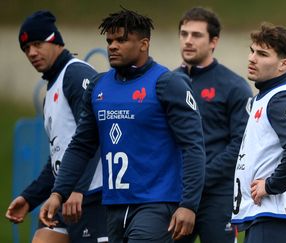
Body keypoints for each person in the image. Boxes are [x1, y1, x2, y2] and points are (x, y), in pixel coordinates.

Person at [38, 7, 206, 243]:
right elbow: (81, 146)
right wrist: (59, 192)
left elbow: (193, 146)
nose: (112, 46)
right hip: (114, 205)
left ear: (144, 44)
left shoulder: (167, 83)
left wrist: (189, 204)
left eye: (121, 40)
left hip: (156, 204)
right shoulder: (98, 87)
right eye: (109, 41)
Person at [5, 10, 108, 243]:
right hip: (63, 196)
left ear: (55, 40)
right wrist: (30, 198)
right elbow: (58, 158)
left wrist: (78, 189)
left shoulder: (75, 74)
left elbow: (95, 136)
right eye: (26, 48)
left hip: (92, 196)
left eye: (38, 44)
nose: (32, 53)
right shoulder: (52, 87)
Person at [231, 23, 286, 243]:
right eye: (252, 51)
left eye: (262, 54)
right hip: (263, 216)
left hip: (275, 216)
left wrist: (271, 185)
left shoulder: (281, 99)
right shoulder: (265, 97)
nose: (252, 58)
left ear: (283, 64)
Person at [174, 7, 253, 243]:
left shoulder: (234, 86)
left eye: (196, 35)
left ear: (213, 41)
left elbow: (240, 145)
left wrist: (200, 177)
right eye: (184, 34)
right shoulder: (168, 83)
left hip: (218, 196)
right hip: (175, 195)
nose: (188, 41)